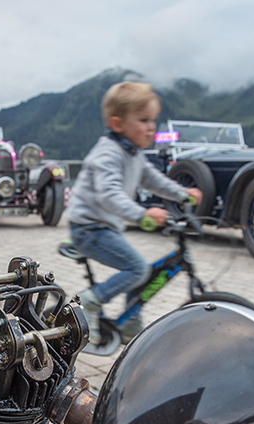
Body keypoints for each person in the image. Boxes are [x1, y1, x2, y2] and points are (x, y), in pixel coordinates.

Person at [63, 81, 201, 345]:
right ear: (118, 125)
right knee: (137, 268)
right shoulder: (108, 153)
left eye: (153, 120)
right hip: (87, 228)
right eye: (143, 120)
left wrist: (182, 193)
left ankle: (129, 321)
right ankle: (89, 303)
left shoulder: (133, 153)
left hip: (104, 228)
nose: (151, 127)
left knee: (142, 271)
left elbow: (154, 180)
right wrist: (142, 214)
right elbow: (109, 194)